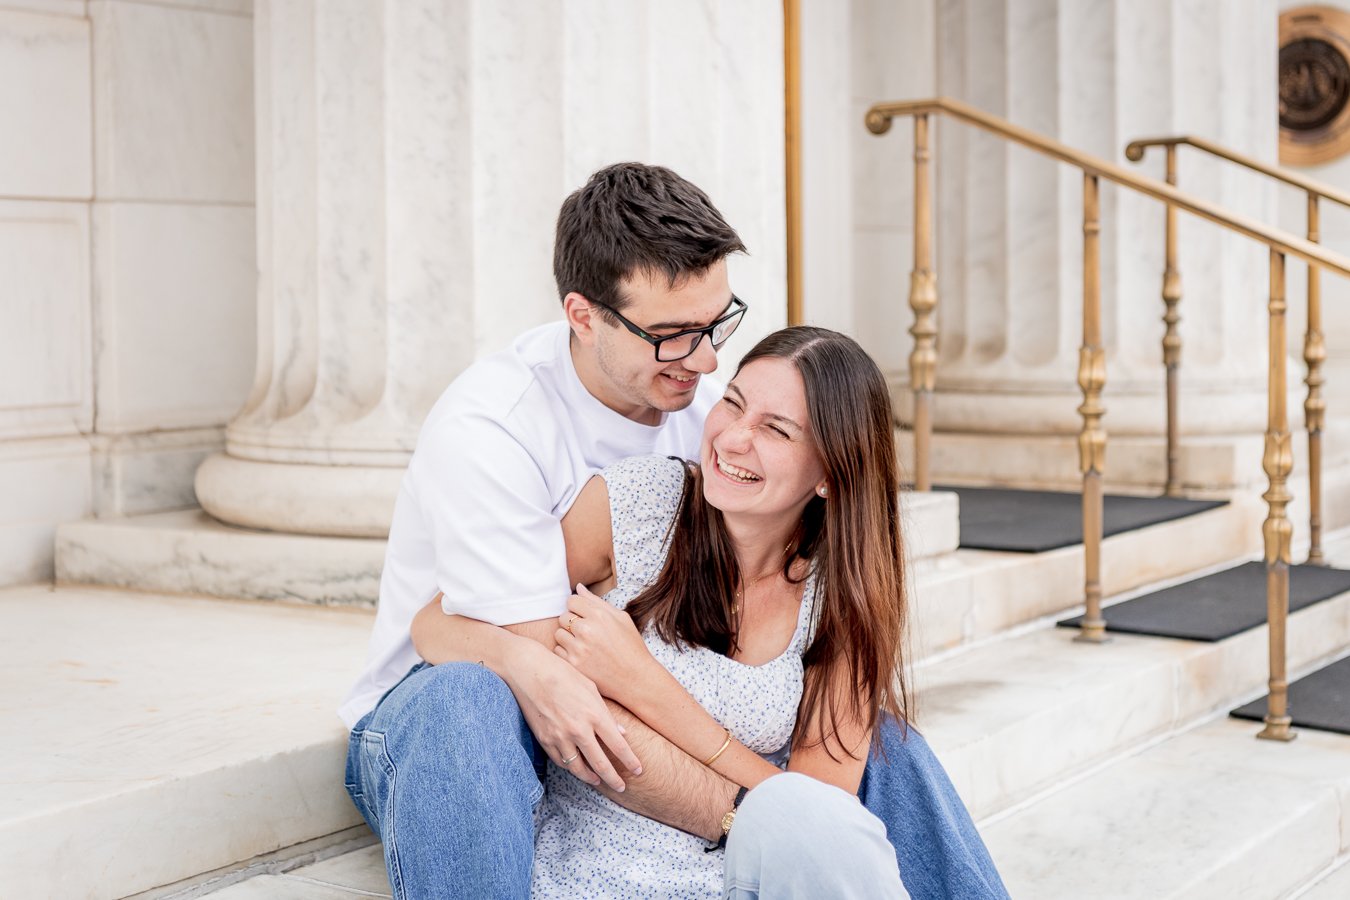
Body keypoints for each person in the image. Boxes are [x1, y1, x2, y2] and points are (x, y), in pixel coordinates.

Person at [341, 162, 1007, 899]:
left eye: (715, 323)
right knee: (473, 702)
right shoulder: (495, 428)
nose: (707, 361)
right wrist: (758, 811)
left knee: (883, 742)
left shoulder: (708, 408)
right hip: (456, 707)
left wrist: (767, 797)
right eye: (672, 335)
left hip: (615, 701)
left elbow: (639, 682)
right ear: (584, 316)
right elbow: (553, 686)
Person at [416, 326, 912, 897]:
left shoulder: (840, 599)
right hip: (594, 872)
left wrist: (640, 682)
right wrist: (535, 668)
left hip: (743, 878)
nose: (732, 439)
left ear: (830, 473)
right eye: (732, 402)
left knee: (899, 761)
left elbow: (819, 823)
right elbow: (438, 620)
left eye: (775, 430)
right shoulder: (638, 505)